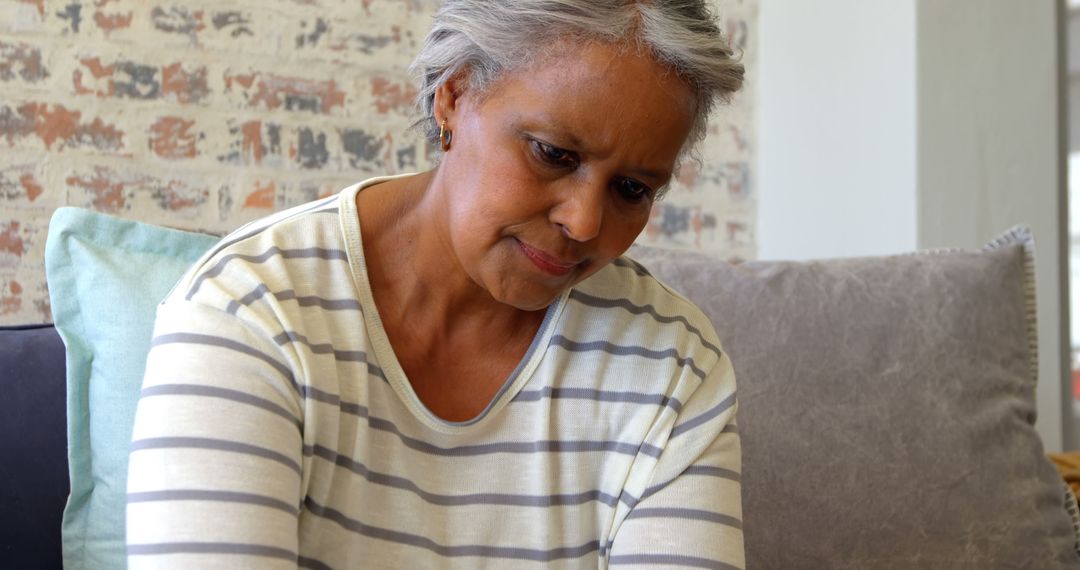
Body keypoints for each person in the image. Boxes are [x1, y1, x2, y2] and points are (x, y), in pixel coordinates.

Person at [125, 1, 745, 568]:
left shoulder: (673, 364)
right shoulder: (251, 311)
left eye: (632, 189)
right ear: (454, 96)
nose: (583, 222)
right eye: (553, 153)